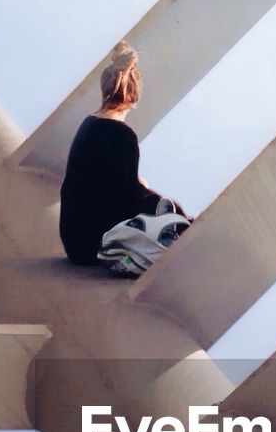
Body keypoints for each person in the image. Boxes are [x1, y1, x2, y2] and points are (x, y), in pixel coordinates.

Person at [58, 42, 185, 267]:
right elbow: (126, 198)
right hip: (95, 244)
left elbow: (100, 183)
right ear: (133, 99)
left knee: (153, 199)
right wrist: (145, 190)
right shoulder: (123, 135)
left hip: (73, 239)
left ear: (104, 90)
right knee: (169, 211)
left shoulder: (88, 124)